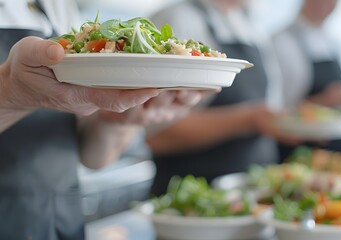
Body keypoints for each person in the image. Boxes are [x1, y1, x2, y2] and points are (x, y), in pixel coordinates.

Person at [0, 0, 204, 239]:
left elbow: (94, 158)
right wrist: (10, 92)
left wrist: (118, 118)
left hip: (58, 220)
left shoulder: (53, 4)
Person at [147, 0, 299, 195]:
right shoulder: (178, 19)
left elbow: (272, 106)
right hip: (193, 202)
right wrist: (248, 119)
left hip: (255, 196)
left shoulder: (253, 28)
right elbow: (157, 134)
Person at [272, 0, 341, 159]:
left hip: (338, 145)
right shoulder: (280, 40)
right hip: (300, 149)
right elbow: (279, 107)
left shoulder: (333, 41)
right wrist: (325, 100)